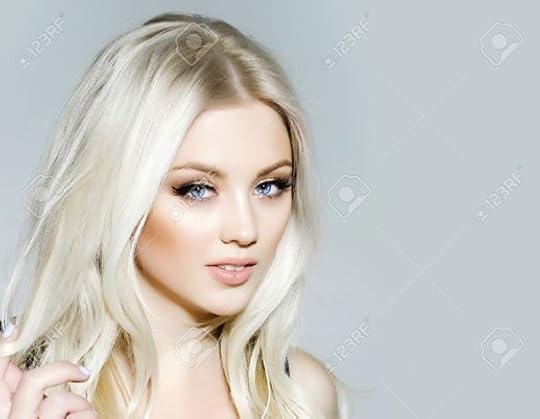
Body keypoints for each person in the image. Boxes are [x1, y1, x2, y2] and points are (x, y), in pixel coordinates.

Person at [0, 12, 350, 418]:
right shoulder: (15, 388)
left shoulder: (302, 394)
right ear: (115, 193)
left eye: (269, 186)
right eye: (197, 189)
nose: (245, 229)